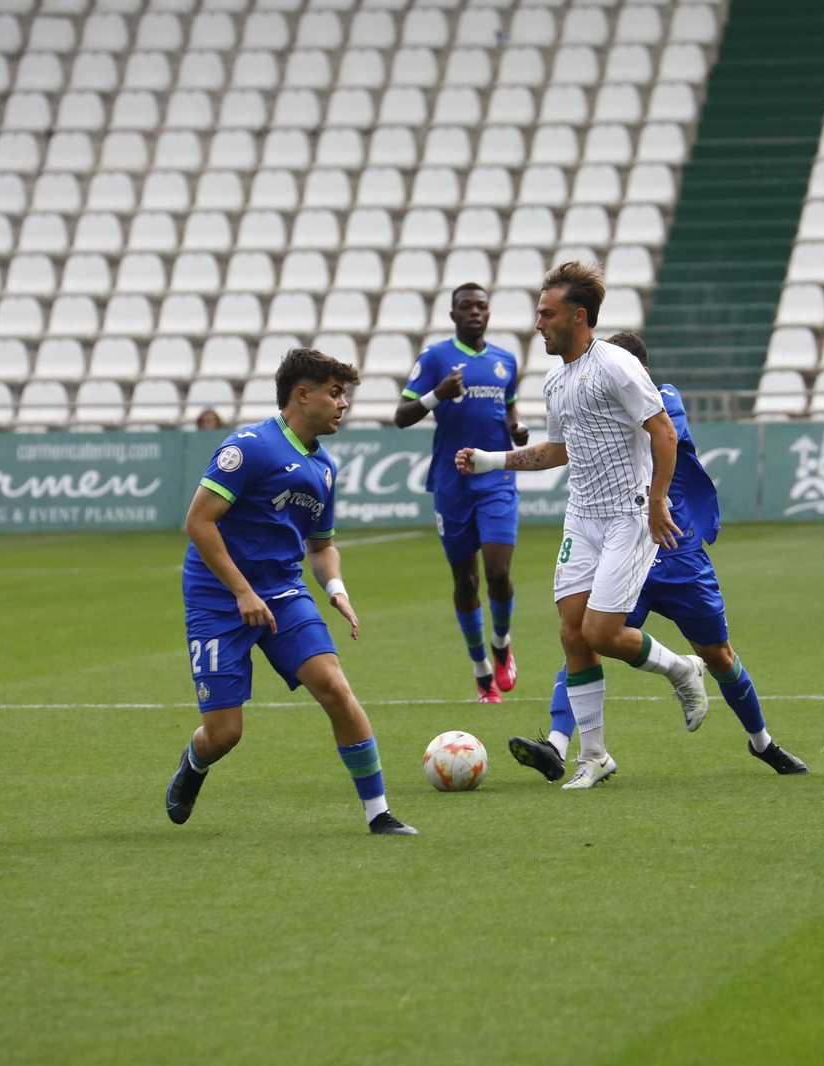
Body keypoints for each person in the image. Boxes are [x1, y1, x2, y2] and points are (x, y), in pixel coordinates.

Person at [510, 333, 809, 781]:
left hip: (678, 552)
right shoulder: (595, 398)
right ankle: (559, 745)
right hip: (627, 546)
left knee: (720, 655)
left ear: (638, 374)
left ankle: (762, 742)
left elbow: (655, 435)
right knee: (587, 634)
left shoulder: (665, 399)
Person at [456, 261, 708, 790]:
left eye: (547, 314)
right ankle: (593, 756)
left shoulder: (616, 365)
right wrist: (489, 460)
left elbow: (661, 431)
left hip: (627, 515)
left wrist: (658, 500)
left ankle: (682, 670)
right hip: (582, 517)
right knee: (574, 635)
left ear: (578, 315)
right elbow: (556, 452)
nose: (539, 323)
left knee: (601, 631)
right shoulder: (555, 381)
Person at [166, 348, 418, 835]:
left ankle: (378, 814)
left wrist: (336, 588)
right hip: (218, 598)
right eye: (335, 393)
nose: (343, 404)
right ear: (303, 395)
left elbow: (321, 547)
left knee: (336, 690)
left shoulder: (324, 468)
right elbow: (198, 523)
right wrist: (241, 591)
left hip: (282, 593)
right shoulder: (250, 447)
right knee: (225, 734)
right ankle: (194, 763)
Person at [395, 284, 529, 703]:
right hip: (452, 483)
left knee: (498, 573)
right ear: (453, 315)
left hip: (497, 478)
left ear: (489, 314)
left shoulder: (505, 361)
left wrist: (515, 429)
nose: (475, 312)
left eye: (482, 306)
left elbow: (507, 409)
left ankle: (502, 642)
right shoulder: (435, 358)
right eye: (466, 307)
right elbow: (401, 416)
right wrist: (438, 395)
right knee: (465, 578)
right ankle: (481, 673)